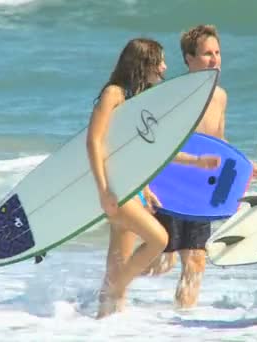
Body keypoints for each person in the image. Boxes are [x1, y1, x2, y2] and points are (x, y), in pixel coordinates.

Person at [86, 38, 220, 319]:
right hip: (116, 187)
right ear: (143, 63)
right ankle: (112, 294)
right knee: (159, 239)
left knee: (118, 264)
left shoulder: (137, 100)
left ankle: (103, 322)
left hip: (131, 187)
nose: (164, 66)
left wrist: (194, 163)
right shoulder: (114, 93)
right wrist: (104, 190)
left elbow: (147, 151)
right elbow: (94, 142)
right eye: (159, 60)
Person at [136, 24, 226, 310]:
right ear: (189, 59)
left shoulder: (220, 96)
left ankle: (183, 325)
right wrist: (146, 187)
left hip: (200, 189)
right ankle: (115, 281)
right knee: (164, 260)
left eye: (217, 53)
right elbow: (153, 148)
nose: (214, 59)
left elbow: (220, 146)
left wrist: (233, 182)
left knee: (196, 261)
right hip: (171, 185)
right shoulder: (173, 96)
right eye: (206, 54)